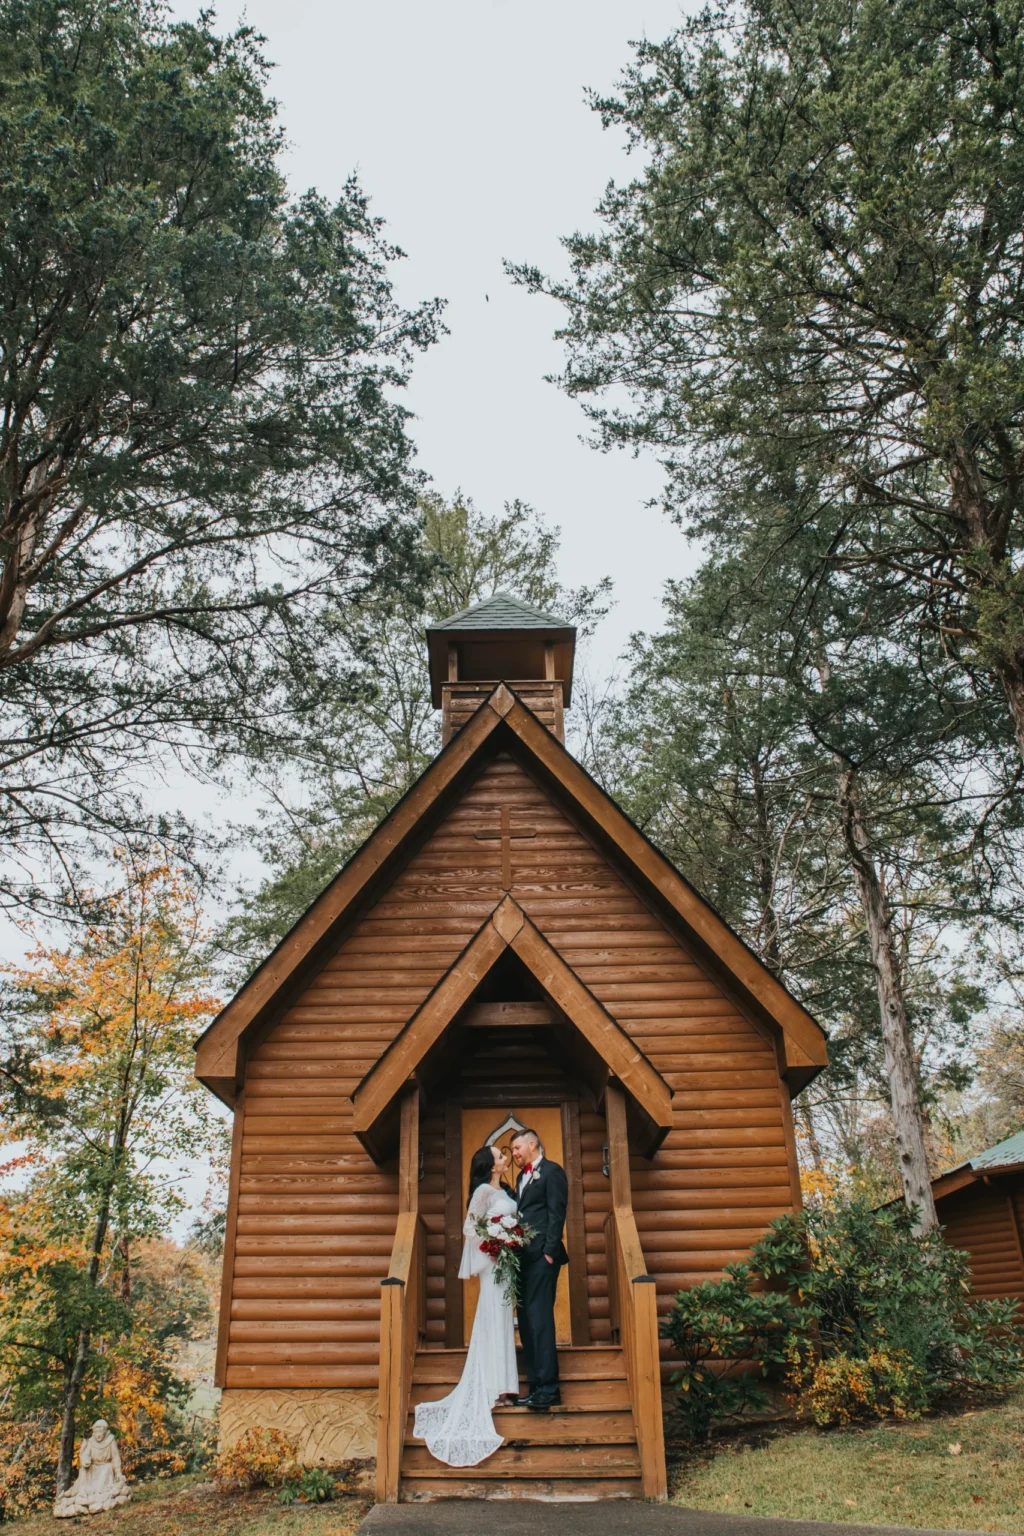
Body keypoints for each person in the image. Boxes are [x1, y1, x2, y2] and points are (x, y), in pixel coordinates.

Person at [413, 1143, 519, 1465]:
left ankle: (504, 1387)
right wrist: (496, 1243)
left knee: (503, 1322)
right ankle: (494, 1389)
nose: (504, 1159)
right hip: (494, 1264)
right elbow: (469, 1227)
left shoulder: (508, 1191)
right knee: (493, 1319)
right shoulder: (484, 1192)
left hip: (508, 1264)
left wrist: (513, 1237)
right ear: (490, 1165)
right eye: (500, 1156)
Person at [510, 1127, 568, 1409]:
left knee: (540, 1319)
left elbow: (557, 1213)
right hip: (522, 1260)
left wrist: (549, 1252)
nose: (514, 1155)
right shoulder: (521, 1177)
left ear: (532, 1144)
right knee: (527, 1320)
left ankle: (549, 1389)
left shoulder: (552, 1172)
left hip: (543, 1258)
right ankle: (535, 1386)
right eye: (511, 1151)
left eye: (517, 1149)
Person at [53, 1420, 131, 1517]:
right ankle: (84, 1493)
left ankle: (100, 1494)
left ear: (105, 1432)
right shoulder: (91, 1442)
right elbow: (85, 1454)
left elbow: (115, 1457)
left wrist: (118, 1472)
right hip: (93, 1467)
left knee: (106, 1470)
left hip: (105, 1466)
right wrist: (86, 1460)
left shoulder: (110, 1440)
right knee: (83, 1470)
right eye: (96, 1432)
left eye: (100, 1432)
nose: (98, 1435)